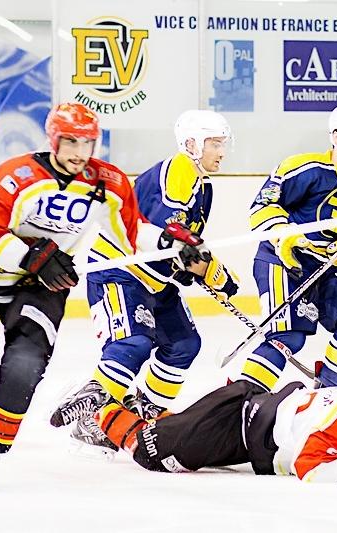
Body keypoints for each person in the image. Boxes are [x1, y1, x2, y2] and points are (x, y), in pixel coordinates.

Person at [0, 102, 209, 484]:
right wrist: (33, 255)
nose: (79, 152)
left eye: (87, 143)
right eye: (70, 141)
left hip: (41, 289)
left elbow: (128, 235)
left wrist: (170, 241)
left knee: (25, 366)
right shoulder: (16, 176)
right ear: (53, 140)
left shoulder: (108, 184)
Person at [49, 110, 240, 454]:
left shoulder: (203, 187)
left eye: (223, 143)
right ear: (192, 144)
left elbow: (185, 249)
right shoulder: (178, 169)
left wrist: (209, 270)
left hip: (155, 280)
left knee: (183, 344)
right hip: (119, 272)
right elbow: (161, 234)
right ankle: (91, 407)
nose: (221, 151)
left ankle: (144, 408)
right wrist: (203, 265)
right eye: (214, 143)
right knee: (134, 343)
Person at [240, 104, 337, 391]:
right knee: (288, 337)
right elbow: (261, 207)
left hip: (322, 269)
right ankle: (238, 404)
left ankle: (329, 396)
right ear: (336, 136)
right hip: (281, 262)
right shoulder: (304, 168)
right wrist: (286, 236)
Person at [94, 367, 337, 482]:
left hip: (247, 424)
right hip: (233, 422)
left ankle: (143, 413)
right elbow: (307, 467)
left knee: (175, 439)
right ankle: (99, 406)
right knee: (151, 453)